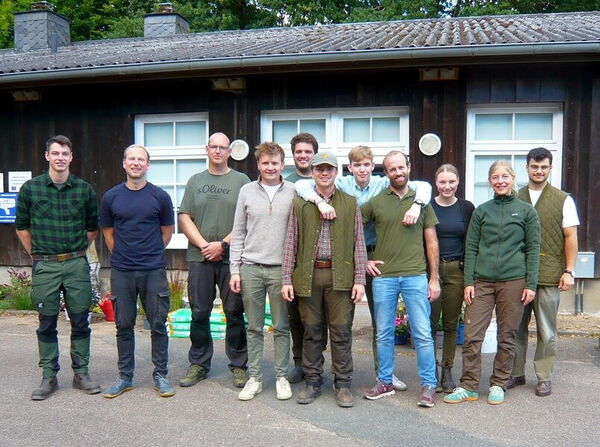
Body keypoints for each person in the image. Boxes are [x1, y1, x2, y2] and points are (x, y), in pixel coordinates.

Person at [295, 145, 432, 391]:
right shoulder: (341, 184)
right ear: (349, 168)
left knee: (382, 323)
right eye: (357, 165)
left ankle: (384, 374)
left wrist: (416, 205)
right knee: (339, 321)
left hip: (378, 258)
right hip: (351, 258)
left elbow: (424, 186)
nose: (362, 169)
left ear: (373, 166)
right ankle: (324, 374)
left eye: (366, 164)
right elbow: (301, 185)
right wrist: (319, 202)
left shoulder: (382, 183)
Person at [444, 160, 540, 406]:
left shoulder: (526, 211)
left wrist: (531, 284)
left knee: (507, 335)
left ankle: (498, 383)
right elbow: (471, 248)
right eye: (495, 177)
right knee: (472, 336)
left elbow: (533, 249)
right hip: (482, 281)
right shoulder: (482, 211)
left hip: (514, 281)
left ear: (512, 179)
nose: (500, 181)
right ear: (490, 181)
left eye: (504, 176)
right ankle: (468, 386)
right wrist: (469, 281)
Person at [15, 135, 101, 400]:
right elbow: (22, 226)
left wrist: (76, 251)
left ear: (71, 157)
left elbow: (92, 228)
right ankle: (48, 376)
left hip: (76, 263)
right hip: (46, 265)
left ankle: (81, 373)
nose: (60, 158)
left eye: (65, 153)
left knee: (80, 319)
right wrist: (37, 254)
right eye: (55, 153)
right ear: (47, 156)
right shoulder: (31, 189)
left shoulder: (84, 190)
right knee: (46, 321)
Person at [281, 151, 367, 408]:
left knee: (341, 331)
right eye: (320, 169)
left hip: (340, 276)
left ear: (336, 172)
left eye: (329, 168)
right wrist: (286, 278)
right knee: (311, 331)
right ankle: (312, 381)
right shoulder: (300, 204)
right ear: (313, 172)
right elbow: (290, 243)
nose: (325, 173)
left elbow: (359, 243)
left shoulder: (350, 203)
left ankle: (343, 383)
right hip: (308, 276)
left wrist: (359, 279)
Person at [361, 151, 441, 408]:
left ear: (409, 167)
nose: (397, 172)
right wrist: (364, 260)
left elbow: (432, 241)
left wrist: (434, 278)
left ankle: (428, 385)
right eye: (392, 169)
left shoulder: (421, 201)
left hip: (415, 275)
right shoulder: (376, 202)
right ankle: (385, 381)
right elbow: (352, 230)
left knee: (423, 333)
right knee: (383, 333)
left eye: (400, 167)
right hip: (384, 277)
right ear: (386, 173)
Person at [100, 144, 175, 398]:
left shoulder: (160, 197)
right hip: (122, 270)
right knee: (123, 325)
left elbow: (167, 233)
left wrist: (149, 253)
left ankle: (160, 375)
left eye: (141, 159)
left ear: (148, 165)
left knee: (158, 324)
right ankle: (125, 377)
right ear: (124, 163)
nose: (136, 163)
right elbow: (108, 233)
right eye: (131, 159)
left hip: (153, 269)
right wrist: (123, 255)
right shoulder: (111, 197)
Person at [178, 132, 250, 389]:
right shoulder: (195, 181)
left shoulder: (242, 181)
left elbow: (247, 217)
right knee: (199, 312)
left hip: (232, 258)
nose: (218, 151)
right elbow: (184, 217)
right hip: (200, 257)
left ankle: (239, 365)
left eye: (223, 147)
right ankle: (198, 363)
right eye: (214, 147)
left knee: (234, 312)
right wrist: (204, 245)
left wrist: (223, 244)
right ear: (206, 149)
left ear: (230, 151)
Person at [509, 147, 579, 397]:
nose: (539, 171)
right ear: (527, 168)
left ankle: (544, 377)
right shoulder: (514, 197)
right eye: (534, 166)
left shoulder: (563, 199)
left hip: (549, 275)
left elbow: (570, 237)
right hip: (517, 275)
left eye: (543, 167)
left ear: (550, 168)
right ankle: (515, 373)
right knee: (515, 328)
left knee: (546, 330)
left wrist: (569, 271)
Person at [229, 142, 295, 401]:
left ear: (282, 165)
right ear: (258, 164)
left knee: (281, 326)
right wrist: (235, 270)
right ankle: (255, 377)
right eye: (265, 163)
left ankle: (281, 377)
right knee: (254, 327)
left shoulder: (293, 191)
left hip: (281, 270)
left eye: (274, 163)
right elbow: (238, 232)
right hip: (251, 268)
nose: (270, 167)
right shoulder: (246, 192)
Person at [429, 164, 474, 393]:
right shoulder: (427, 206)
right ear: (436, 183)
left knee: (450, 324)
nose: (447, 186)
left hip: (457, 269)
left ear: (458, 182)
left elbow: (473, 241)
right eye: (442, 182)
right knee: (428, 323)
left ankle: (447, 370)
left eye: (451, 182)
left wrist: (471, 277)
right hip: (431, 272)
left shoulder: (466, 208)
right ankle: (431, 371)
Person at [283, 132, 320, 384]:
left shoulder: (325, 179)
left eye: (308, 151)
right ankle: (299, 362)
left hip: (320, 260)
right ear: (293, 155)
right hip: (293, 259)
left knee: (317, 318)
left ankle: (315, 363)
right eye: (299, 151)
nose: (303, 155)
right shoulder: (286, 184)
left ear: (314, 154)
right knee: (295, 315)